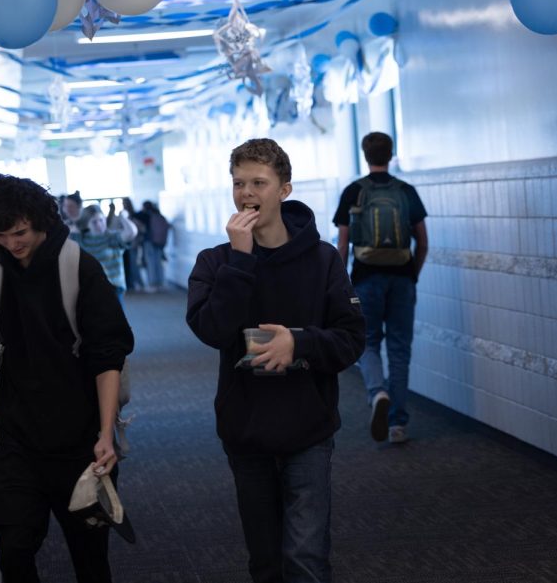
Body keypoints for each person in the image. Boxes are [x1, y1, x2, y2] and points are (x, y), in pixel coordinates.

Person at [187, 138, 365, 583]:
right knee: (265, 562)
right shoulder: (216, 262)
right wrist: (241, 262)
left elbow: (351, 339)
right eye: (238, 183)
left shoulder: (323, 259)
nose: (246, 193)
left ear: (284, 189)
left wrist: (299, 344)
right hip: (246, 431)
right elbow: (212, 331)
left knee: (305, 559)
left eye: (258, 183)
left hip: (307, 428)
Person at [0, 174, 135, 583]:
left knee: (90, 560)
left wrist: (106, 435)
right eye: (0, 236)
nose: (11, 244)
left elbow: (107, 358)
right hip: (18, 443)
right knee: (14, 552)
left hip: (81, 442)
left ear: (41, 222)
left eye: (19, 233)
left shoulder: (79, 269)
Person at [334, 132, 428, 445]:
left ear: (365, 155)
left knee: (368, 342)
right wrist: (411, 275)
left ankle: (378, 393)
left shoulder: (354, 191)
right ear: (391, 154)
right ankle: (397, 425)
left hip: (365, 277)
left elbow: (343, 243)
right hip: (402, 277)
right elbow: (423, 241)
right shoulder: (406, 191)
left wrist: (341, 281)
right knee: (400, 350)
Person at [75, 204, 138, 304]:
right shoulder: (81, 239)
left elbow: (131, 233)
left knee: (115, 319)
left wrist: (123, 217)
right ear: (87, 223)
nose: (99, 225)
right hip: (91, 288)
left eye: (101, 220)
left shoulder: (111, 237)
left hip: (113, 288)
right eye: (94, 222)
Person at [139, 200, 171, 292]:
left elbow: (144, 229)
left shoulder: (146, 216)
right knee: (158, 263)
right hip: (159, 242)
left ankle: (152, 284)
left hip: (149, 242)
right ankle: (160, 282)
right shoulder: (159, 215)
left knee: (151, 263)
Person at [120, 197, 145, 292]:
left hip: (134, 244)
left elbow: (140, 229)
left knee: (134, 265)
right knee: (132, 264)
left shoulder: (133, 216)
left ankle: (139, 283)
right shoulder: (128, 214)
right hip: (129, 243)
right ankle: (135, 283)